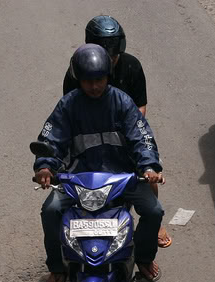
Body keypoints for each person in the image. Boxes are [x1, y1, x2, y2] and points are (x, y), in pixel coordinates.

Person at [34, 44, 165, 282]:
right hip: (77, 180)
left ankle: (144, 257)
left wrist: (148, 166)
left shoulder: (122, 102)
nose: (94, 86)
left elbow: (142, 137)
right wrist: (45, 167)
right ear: (78, 80)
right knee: (50, 210)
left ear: (108, 76)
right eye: (88, 81)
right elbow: (50, 141)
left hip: (120, 179)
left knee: (153, 210)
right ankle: (57, 267)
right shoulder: (68, 105)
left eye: (99, 79)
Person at [61, 15, 172, 249]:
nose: (95, 85)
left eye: (113, 55)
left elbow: (141, 106)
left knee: (149, 180)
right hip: (89, 138)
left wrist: (130, 133)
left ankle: (152, 227)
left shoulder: (131, 67)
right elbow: (68, 117)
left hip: (126, 135)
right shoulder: (75, 74)